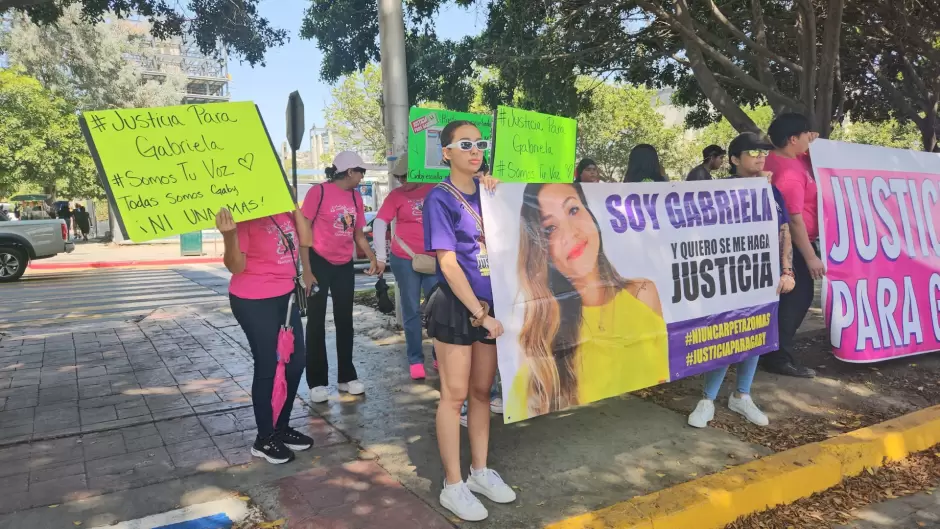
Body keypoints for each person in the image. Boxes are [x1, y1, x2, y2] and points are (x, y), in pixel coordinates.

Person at [506, 182, 668, 420]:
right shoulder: (542, 332)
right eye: (550, 228)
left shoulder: (643, 293)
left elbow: (659, 378)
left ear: (591, 215)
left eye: (573, 210)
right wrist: (494, 190)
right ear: (540, 249)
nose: (571, 232)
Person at [422, 120, 515, 521]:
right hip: (460, 308)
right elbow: (446, 262)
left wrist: (500, 193)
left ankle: (480, 471)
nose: (475, 150)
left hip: (490, 310)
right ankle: (453, 483)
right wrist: (480, 313)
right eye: (465, 144)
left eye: (480, 143)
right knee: (454, 394)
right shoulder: (437, 199)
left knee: (481, 392)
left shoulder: (490, 192)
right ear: (447, 153)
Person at [688, 132, 796, 429]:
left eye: (764, 152)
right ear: (734, 159)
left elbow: (783, 230)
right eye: (752, 152)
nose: (761, 156)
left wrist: (787, 271)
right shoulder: (718, 191)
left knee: (756, 334)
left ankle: (742, 395)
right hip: (727, 278)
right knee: (726, 333)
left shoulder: (771, 192)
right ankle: (707, 399)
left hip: (762, 275)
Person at [215, 197, 315, 464]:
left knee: (295, 364)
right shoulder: (245, 214)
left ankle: (280, 427)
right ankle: (264, 438)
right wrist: (230, 235)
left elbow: (306, 239)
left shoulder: (283, 208)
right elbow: (235, 266)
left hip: (286, 296)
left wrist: (292, 203)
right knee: (269, 365)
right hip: (253, 299)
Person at [302, 151, 384, 403]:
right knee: (315, 323)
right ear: (349, 172)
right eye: (361, 171)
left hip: (343, 265)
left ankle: (346, 377)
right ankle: (317, 382)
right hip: (318, 261)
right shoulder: (319, 193)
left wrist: (372, 256)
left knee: (344, 321)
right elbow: (303, 231)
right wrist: (306, 271)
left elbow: (358, 234)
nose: (362, 176)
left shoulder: (356, 196)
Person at [762, 113, 823, 379]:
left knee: (790, 298)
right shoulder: (788, 175)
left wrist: (816, 143)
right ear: (792, 139)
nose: (810, 136)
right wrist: (810, 258)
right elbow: (794, 221)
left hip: (795, 241)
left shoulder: (789, 157)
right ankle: (778, 357)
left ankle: (773, 350)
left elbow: (814, 159)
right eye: (805, 133)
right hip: (792, 244)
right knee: (797, 297)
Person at [373, 153, 438, 380]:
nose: (400, 180)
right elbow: (380, 223)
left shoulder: (436, 189)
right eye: (398, 176)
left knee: (438, 308)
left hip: (435, 259)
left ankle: (439, 355)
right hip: (405, 258)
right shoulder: (396, 196)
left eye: (404, 175)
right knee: (411, 309)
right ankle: (415, 359)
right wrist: (381, 257)